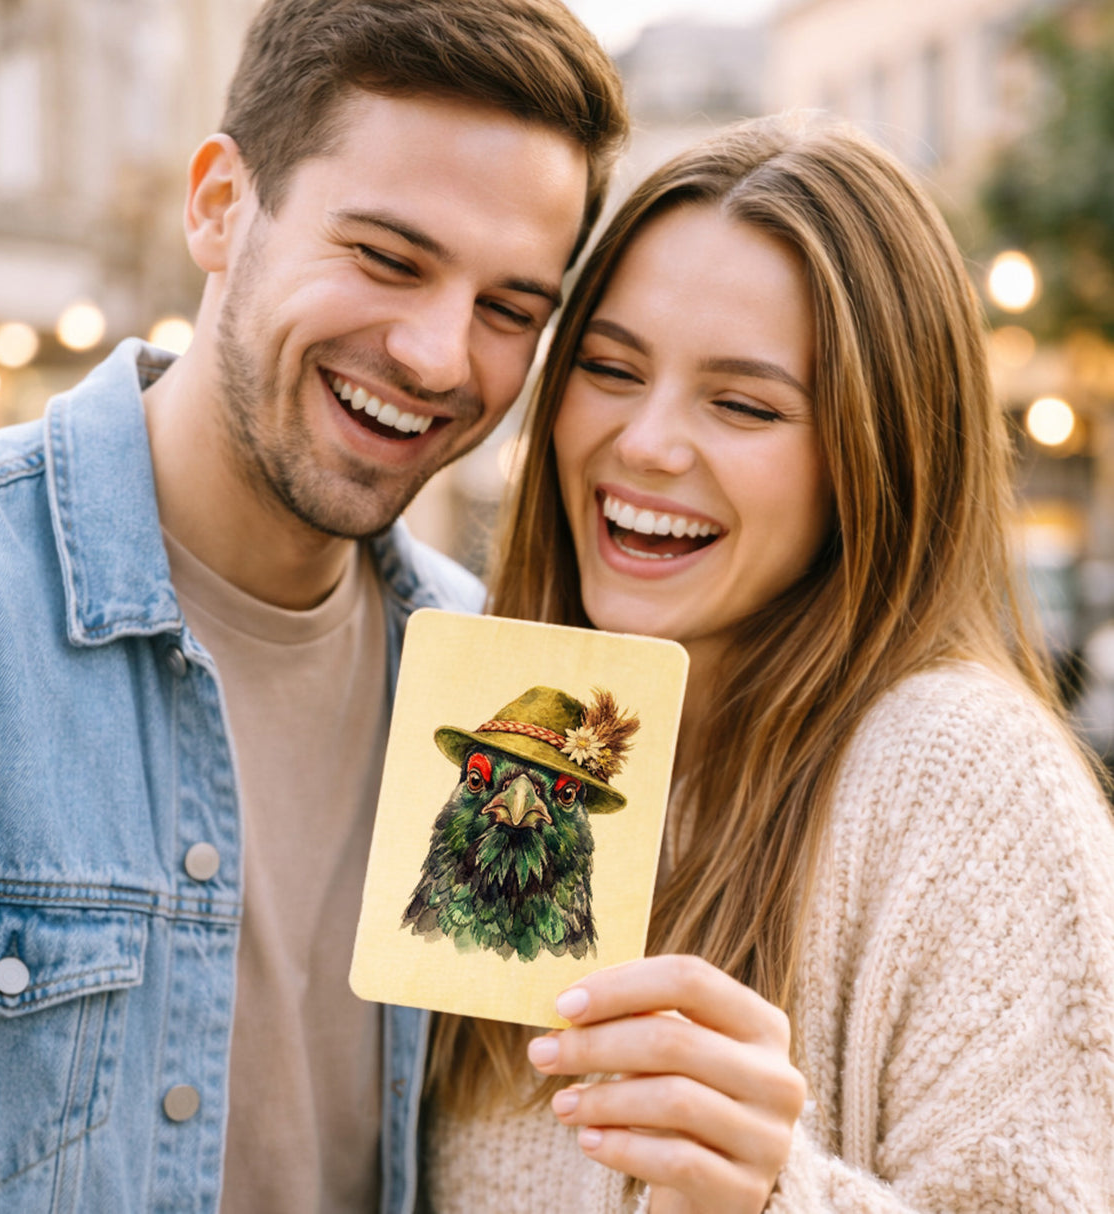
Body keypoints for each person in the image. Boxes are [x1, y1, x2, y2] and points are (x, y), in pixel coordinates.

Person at [0, 3, 627, 1212]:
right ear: (219, 207)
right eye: (387, 257)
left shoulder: (506, 694)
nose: (441, 355)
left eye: (509, 308)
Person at [421, 114, 1114, 1212]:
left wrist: (770, 1194)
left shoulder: (966, 779)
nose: (645, 440)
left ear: (873, 452)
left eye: (741, 403)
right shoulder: (512, 717)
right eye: (607, 367)